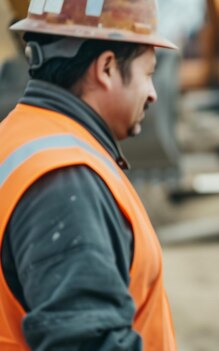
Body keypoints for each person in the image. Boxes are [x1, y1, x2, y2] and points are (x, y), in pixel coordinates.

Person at [0, 0, 178, 349]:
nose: (153, 93)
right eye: (149, 73)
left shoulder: (16, 139)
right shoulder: (64, 182)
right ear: (107, 68)